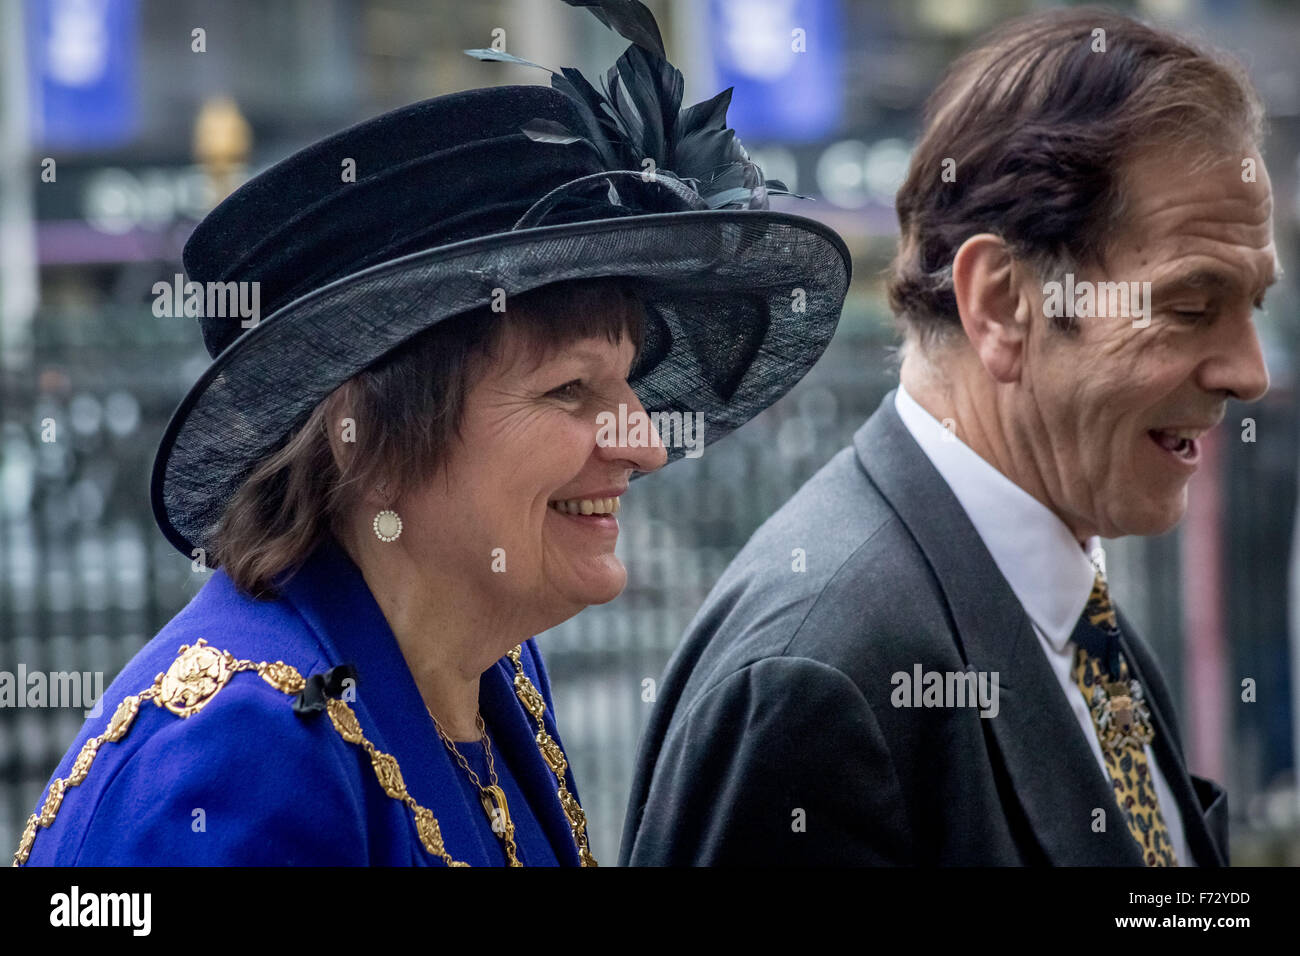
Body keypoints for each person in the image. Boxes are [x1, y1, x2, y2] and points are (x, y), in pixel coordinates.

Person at [13, 2, 850, 867]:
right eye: (570, 389)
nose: (644, 443)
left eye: (627, 383)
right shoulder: (238, 760)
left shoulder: (490, 670)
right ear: (361, 433)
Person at [621, 8, 1275, 866]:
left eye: (1253, 307)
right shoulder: (820, 683)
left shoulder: (1069, 604)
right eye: (1191, 306)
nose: (1249, 371)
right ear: (1001, 303)